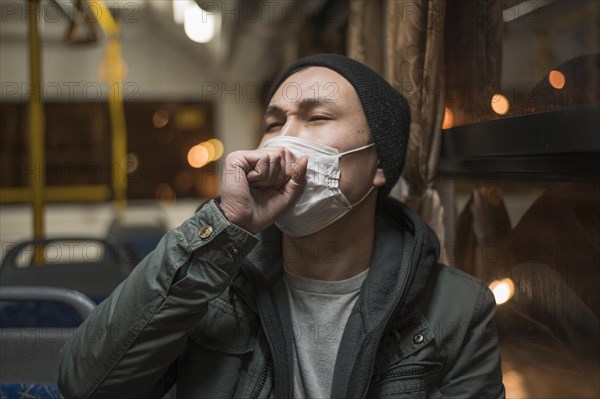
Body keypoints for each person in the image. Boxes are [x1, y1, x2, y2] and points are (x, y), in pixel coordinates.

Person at [58, 54, 505, 399]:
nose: (284, 139)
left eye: (316, 118)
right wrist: (224, 227)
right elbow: (87, 385)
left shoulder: (457, 310)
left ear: (378, 164)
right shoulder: (212, 287)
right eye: (273, 123)